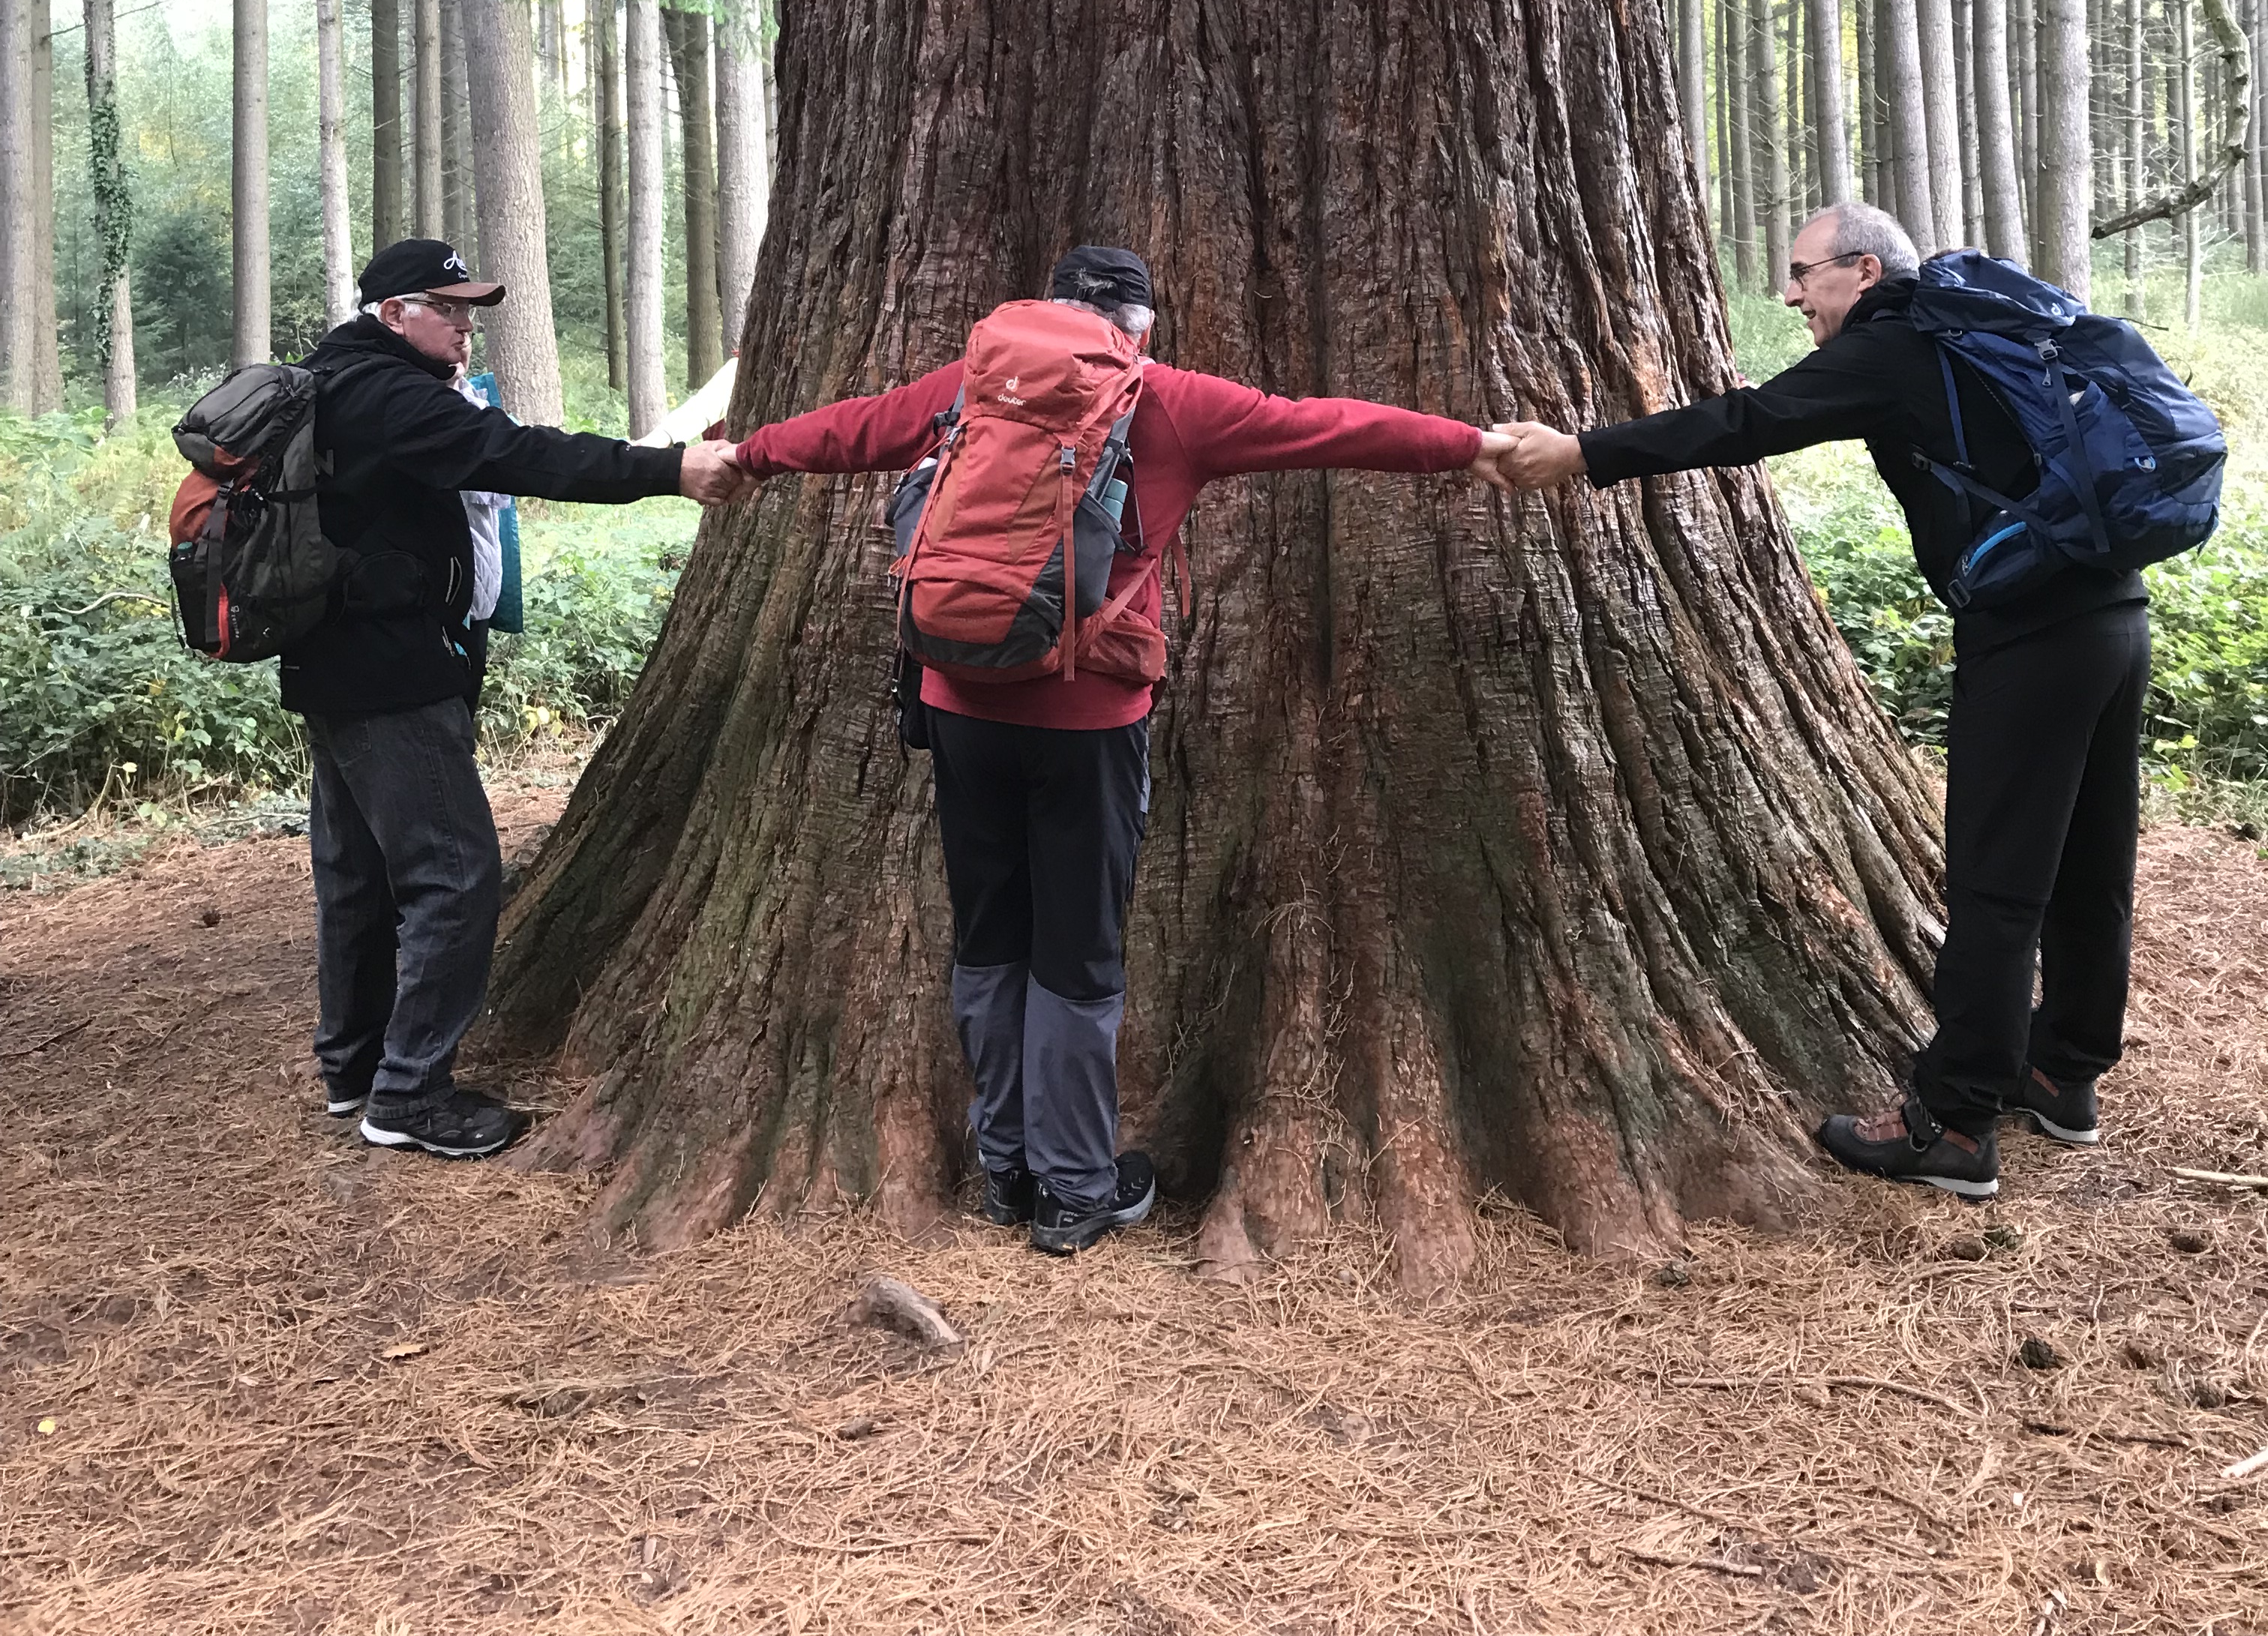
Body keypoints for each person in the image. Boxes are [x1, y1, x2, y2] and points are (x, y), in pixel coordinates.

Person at [734, 246, 1522, 1256]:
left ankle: (1007, 1169)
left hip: (957, 704)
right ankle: (1074, 1189)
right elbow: (1323, 424)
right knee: (1077, 952)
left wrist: (746, 456)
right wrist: (1469, 446)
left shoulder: (973, 386)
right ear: (1139, 329)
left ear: (1047, 310)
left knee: (990, 938)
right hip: (1087, 720)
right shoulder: (1172, 401)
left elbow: (851, 429)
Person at [1499, 201, 2150, 1203]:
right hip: (2114, 615)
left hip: (2032, 640)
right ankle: (2065, 1073)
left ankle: (1955, 1123)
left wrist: (1583, 452)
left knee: (1996, 883)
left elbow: (1749, 421)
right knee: (2091, 862)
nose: (1792, 293)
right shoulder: (1965, 330)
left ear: (1866, 272)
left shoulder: (1888, 346)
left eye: (1805, 273)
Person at [287, 239, 752, 1159]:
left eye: (471, 311)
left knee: (358, 877)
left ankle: (356, 1070)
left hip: (337, 668)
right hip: (392, 679)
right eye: (448, 309)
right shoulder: (387, 395)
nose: (465, 327)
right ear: (393, 315)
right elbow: (517, 456)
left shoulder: (336, 381)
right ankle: (410, 1096)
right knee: (456, 878)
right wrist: (668, 469)